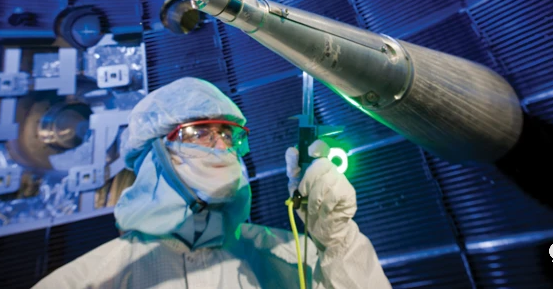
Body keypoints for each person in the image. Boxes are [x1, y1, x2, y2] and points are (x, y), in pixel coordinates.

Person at [34, 77, 391, 288]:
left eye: (228, 134)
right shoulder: (89, 279)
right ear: (154, 155)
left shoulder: (287, 255)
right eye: (200, 132)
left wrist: (337, 241)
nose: (221, 146)